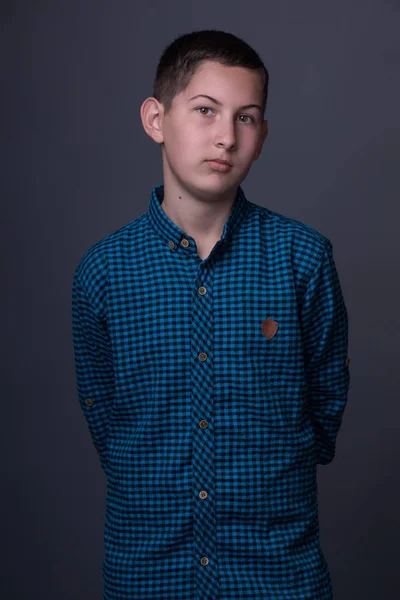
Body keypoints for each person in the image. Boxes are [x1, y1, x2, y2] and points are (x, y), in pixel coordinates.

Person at [71, 29, 351, 600]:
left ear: (263, 135)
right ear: (156, 119)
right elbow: (106, 415)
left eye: (246, 118)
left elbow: (325, 400)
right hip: (148, 573)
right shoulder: (103, 271)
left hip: (278, 573)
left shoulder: (303, 258)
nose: (225, 136)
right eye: (205, 110)